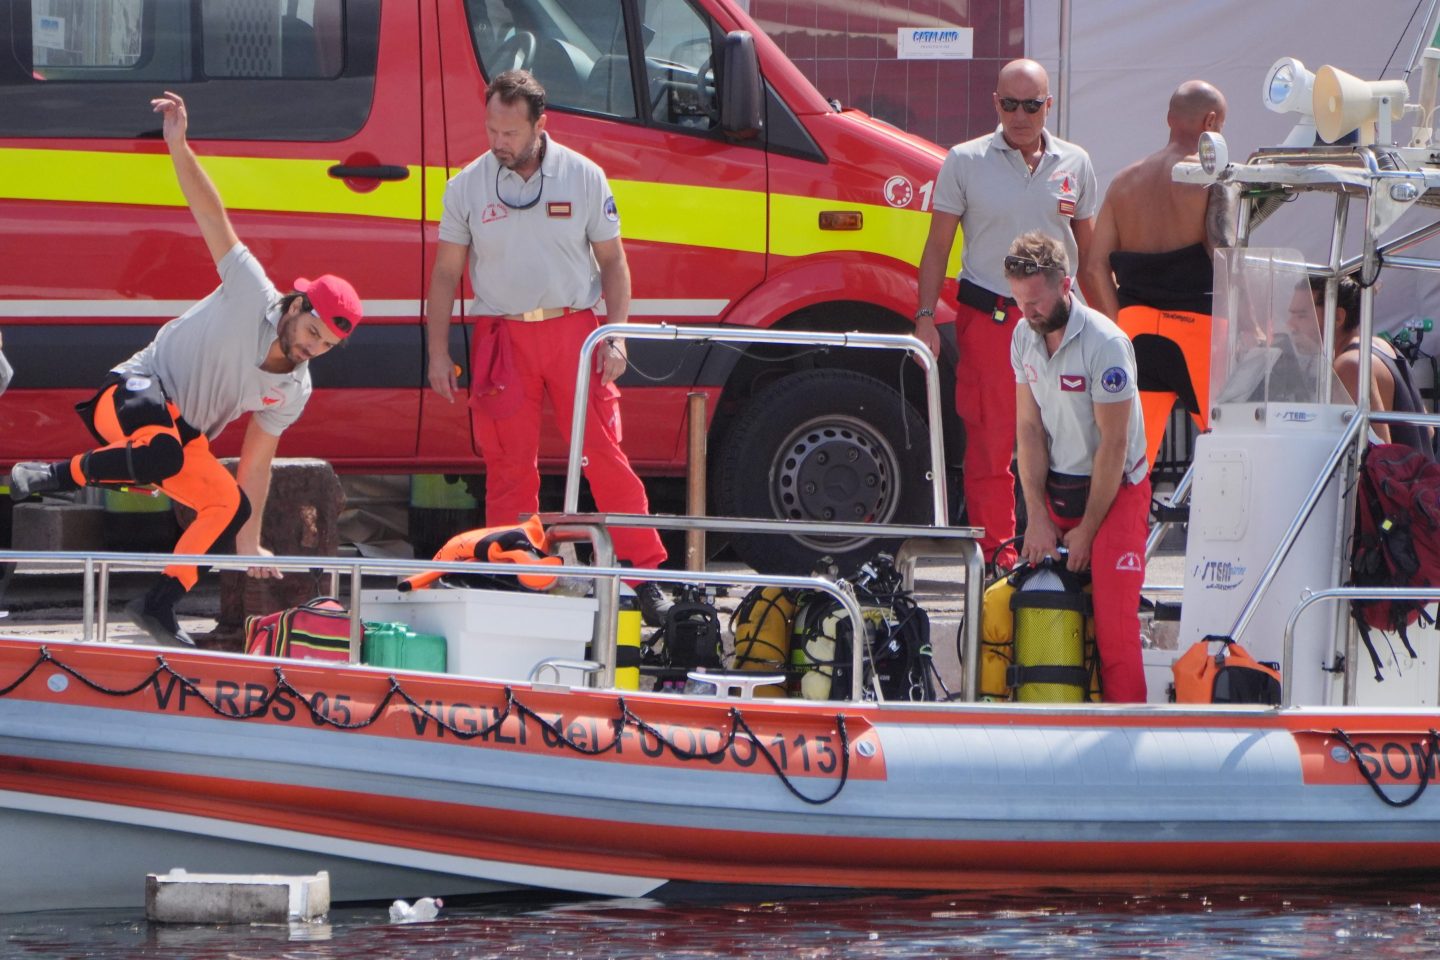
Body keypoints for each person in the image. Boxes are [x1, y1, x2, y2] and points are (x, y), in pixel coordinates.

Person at [8, 91, 362, 646]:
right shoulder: (251, 290)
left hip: (178, 436)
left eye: (325, 346)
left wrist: (248, 542)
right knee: (163, 450)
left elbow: (256, 467)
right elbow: (209, 211)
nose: (311, 348)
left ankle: (157, 604)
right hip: (133, 392)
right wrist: (178, 145)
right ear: (296, 307)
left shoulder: (294, 389)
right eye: (311, 332)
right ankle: (50, 476)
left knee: (228, 503)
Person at [424, 69, 671, 626]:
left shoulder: (583, 176)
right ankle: (514, 572)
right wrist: (438, 352)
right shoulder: (465, 185)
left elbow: (613, 262)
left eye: (509, 132)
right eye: (490, 129)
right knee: (508, 464)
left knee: (603, 456)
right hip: (502, 335)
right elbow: (445, 274)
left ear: (541, 125)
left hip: (574, 330)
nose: (497, 142)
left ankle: (645, 574)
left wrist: (617, 332)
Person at [916, 58, 1100, 572]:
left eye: (1032, 104)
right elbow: (937, 246)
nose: (1021, 115)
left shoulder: (1076, 163)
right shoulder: (965, 160)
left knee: (1071, 439)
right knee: (994, 445)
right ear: (995, 103)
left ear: (1049, 105)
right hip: (991, 320)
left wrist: (1114, 328)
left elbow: (1091, 255)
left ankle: (1067, 555)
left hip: (1061, 327)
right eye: (1010, 104)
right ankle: (1000, 559)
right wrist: (925, 316)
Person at [1008, 231, 1149, 702]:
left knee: (1114, 628)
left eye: (1035, 301)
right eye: (1018, 301)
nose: (1027, 312)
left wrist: (1088, 528)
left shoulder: (1106, 343)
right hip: (1058, 484)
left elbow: (1114, 445)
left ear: (1066, 284)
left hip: (1116, 489)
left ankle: (1127, 739)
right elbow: (1028, 430)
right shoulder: (1023, 338)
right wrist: (1036, 517)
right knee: (1035, 604)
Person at [1081, 81, 1234, 471]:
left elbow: (1094, 265)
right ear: (1212, 121)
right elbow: (1225, 257)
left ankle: (1122, 533)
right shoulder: (1209, 176)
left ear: (1169, 119)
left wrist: (1119, 324)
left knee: (1128, 461)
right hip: (1198, 329)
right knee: (1228, 448)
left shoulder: (1123, 182)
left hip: (1135, 330)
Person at [1299, 276, 1435, 454]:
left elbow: (1377, 453)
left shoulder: (1350, 365)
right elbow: (1428, 430)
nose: (1290, 324)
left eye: (1301, 315)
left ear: (1338, 317)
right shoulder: (1382, 346)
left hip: (1393, 480)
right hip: (1418, 477)